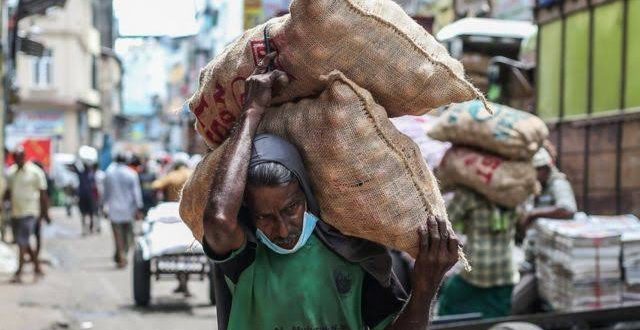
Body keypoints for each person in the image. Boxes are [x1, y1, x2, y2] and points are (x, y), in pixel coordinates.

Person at [193, 55, 460, 329]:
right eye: (266, 217)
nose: (283, 230)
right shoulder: (247, 255)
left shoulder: (352, 251)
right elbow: (219, 220)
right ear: (249, 213)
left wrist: (426, 288)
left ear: (306, 195)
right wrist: (251, 112)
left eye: (291, 208)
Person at [512, 147, 577, 314]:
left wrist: (534, 214)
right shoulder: (538, 188)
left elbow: (568, 209)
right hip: (534, 253)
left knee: (516, 303)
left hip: (546, 260)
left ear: (544, 169)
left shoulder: (558, 183)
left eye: (536, 171)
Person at [438, 187, 519, 319]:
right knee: (495, 320)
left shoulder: (468, 193)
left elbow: (443, 221)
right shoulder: (515, 190)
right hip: (505, 272)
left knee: (450, 311)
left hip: (475, 271)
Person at [4, 148, 50, 283]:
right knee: (22, 241)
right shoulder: (11, 173)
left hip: (30, 212)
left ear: (24, 157)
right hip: (16, 211)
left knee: (22, 241)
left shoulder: (35, 172)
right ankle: (37, 267)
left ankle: (19, 272)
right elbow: (8, 191)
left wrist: (45, 213)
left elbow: (43, 194)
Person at [152, 159, 193, 296]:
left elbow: (156, 185)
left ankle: (182, 283)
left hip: (171, 213)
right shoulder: (193, 173)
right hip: (190, 214)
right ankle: (184, 283)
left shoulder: (172, 176)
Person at [103, 154, 143, 268]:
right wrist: (139, 207)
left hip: (114, 210)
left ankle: (121, 255)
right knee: (129, 236)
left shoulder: (109, 173)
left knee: (118, 236)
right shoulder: (131, 173)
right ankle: (122, 256)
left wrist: (102, 205)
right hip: (128, 210)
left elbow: (105, 192)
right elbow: (136, 193)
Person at [73, 161, 99, 235]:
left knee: (88, 213)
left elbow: (94, 187)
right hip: (85, 196)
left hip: (88, 196)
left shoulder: (89, 175)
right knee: (85, 213)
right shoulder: (86, 175)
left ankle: (88, 227)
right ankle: (86, 227)